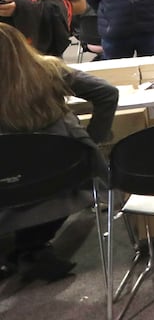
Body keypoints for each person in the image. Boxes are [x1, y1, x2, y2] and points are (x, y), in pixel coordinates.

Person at [0, 24, 117, 282]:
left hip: (7, 179)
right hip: (58, 174)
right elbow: (107, 93)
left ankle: (25, 250)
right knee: (59, 184)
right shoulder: (49, 70)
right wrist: (93, 140)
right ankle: (31, 249)